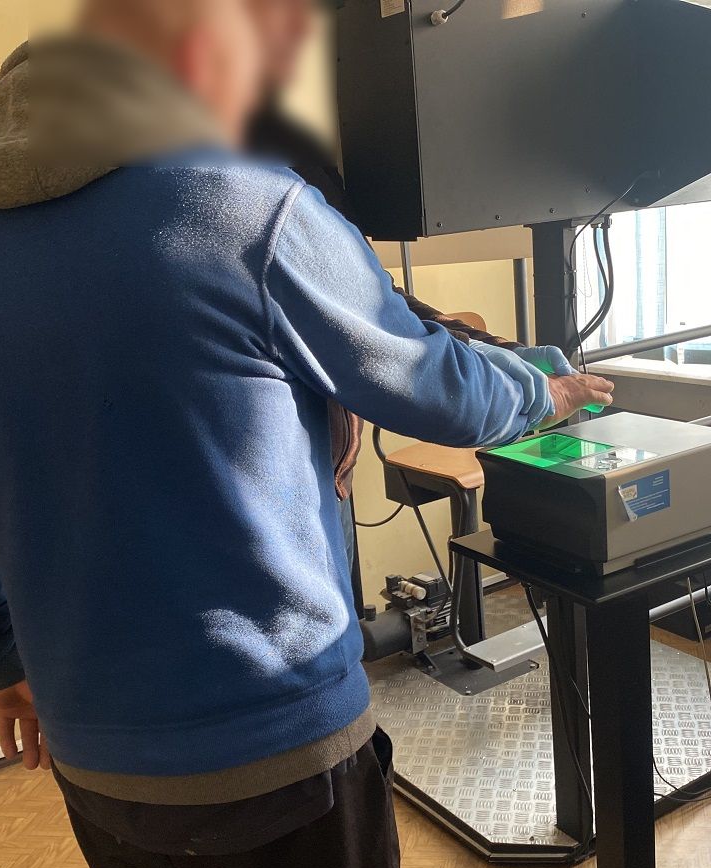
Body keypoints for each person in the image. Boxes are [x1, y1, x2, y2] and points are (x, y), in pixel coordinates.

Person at [0, 2, 613, 868]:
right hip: (279, 753)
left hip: (98, 760)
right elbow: (435, 388)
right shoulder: (247, 210)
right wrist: (540, 387)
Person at [246, 0, 578, 572]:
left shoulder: (87, 192)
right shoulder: (266, 204)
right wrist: (538, 394)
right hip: (279, 524)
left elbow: (375, 299)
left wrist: (500, 352)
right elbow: (425, 383)